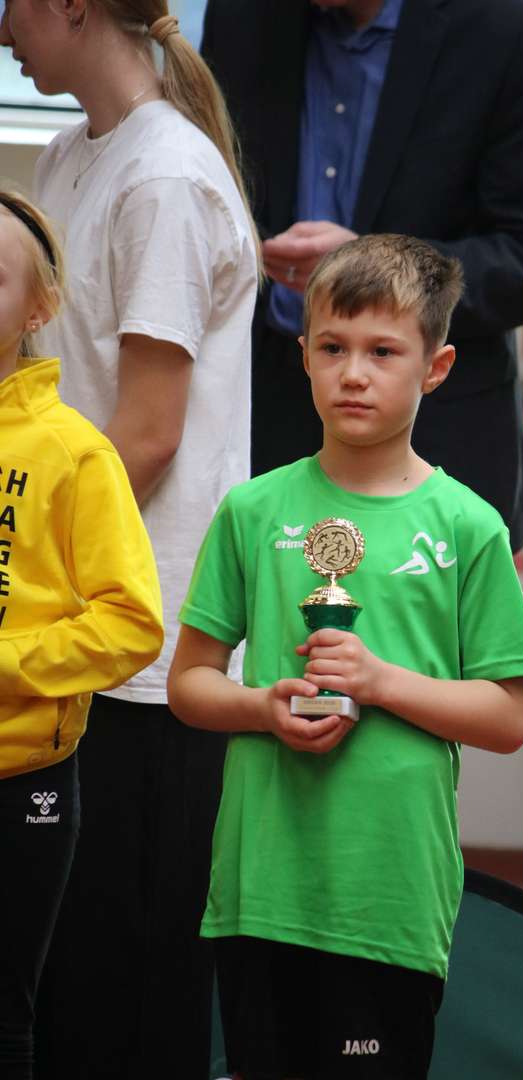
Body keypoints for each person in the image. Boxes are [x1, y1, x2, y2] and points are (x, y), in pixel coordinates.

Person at [167, 234, 523, 1080]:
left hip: (389, 898)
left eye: (383, 352)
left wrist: (380, 682)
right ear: (302, 354)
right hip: (261, 890)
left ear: (436, 368)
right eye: (333, 348)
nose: (353, 374)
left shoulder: (468, 525)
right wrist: (262, 707)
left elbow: (509, 717)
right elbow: (189, 684)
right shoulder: (253, 510)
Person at [0, 2, 259, 1076]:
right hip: (64, 638)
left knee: (129, 987)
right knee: (55, 987)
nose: (2, 27)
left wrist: (36, 571)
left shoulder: (165, 177)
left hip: (142, 646)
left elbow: (146, 434)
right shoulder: (72, 154)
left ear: (69, 5)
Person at [201, 0, 523, 553]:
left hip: (434, 446)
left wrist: (374, 266)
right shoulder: (243, 17)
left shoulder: (510, 35)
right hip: (261, 431)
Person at [0, 190, 163, 1080]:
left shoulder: (75, 453)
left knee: (4, 1017)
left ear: (40, 308)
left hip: (21, 781)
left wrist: (7, 666)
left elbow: (131, 624)